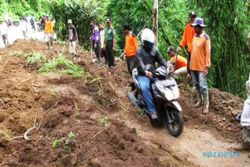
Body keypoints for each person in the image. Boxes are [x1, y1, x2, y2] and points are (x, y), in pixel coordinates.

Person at [136, 28, 168, 119]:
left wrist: (168, 68)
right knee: (145, 88)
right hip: (143, 75)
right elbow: (140, 63)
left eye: (151, 43)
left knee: (161, 87)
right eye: (148, 43)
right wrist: (145, 72)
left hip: (154, 73)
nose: (150, 45)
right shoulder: (139, 51)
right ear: (144, 42)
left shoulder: (155, 50)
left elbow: (161, 61)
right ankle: (152, 111)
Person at [190, 18, 211, 114]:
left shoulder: (206, 38)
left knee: (203, 85)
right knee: (196, 85)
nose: (194, 28)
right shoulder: (194, 36)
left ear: (200, 27)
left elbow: (208, 52)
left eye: (195, 27)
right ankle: (199, 100)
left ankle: (206, 105)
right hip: (193, 65)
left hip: (202, 66)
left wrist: (207, 66)